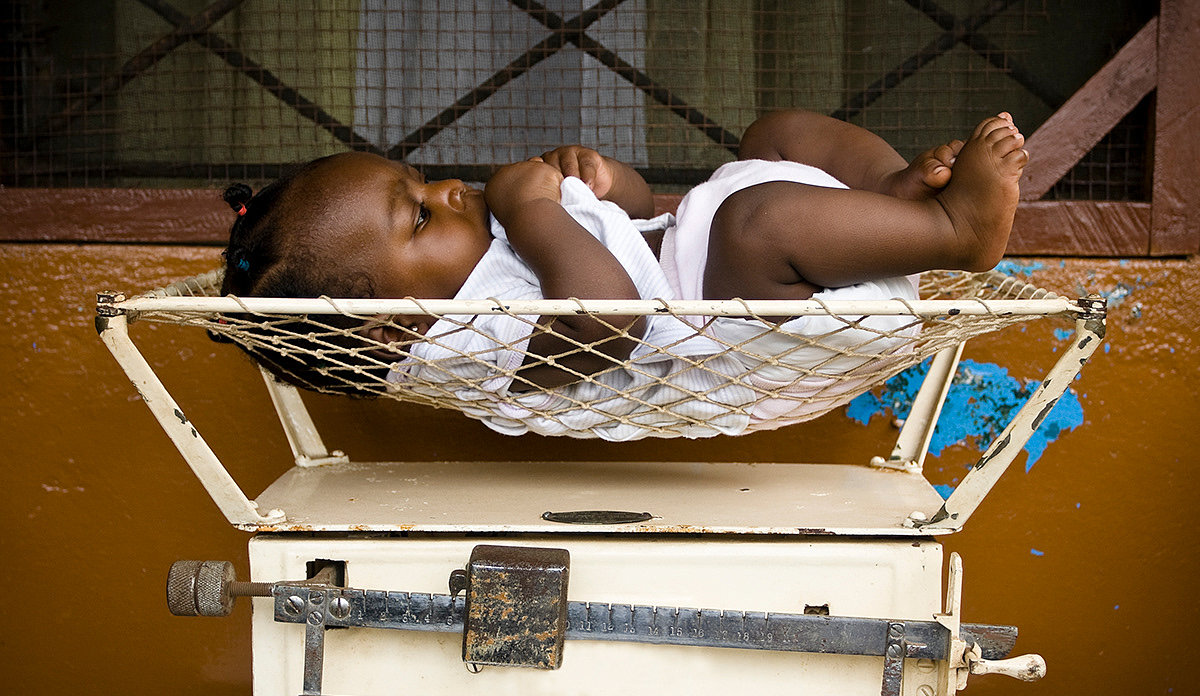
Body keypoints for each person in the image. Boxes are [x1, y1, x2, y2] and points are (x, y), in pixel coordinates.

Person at [219, 109, 1027, 437]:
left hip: (758, 261)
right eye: (420, 214)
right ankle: (953, 232)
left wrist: (600, 181)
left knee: (774, 132)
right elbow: (614, 315)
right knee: (758, 220)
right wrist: (535, 210)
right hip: (757, 347)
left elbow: (644, 218)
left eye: (420, 177)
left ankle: (890, 202)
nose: (450, 189)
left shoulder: (488, 241)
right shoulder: (468, 342)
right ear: (395, 327)